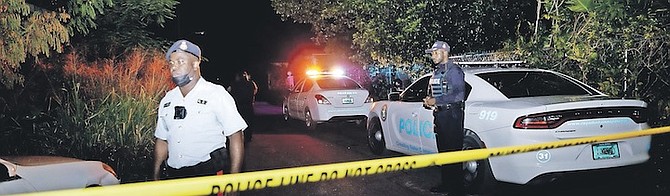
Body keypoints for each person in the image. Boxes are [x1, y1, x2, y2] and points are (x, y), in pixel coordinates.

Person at [153, 40, 247, 189]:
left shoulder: (216, 94)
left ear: (196, 64)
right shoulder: (167, 100)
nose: (174, 67)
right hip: (174, 179)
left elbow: (236, 136)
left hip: (208, 178)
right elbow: (162, 140)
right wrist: (156, 175)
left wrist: (233, 181)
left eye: (180, 61)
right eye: (171, 63)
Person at [422, 40, 466, 196]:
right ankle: (447, 184)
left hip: (451, 116)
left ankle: (457, 189)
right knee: (444, 152)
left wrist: (436, 101)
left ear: (444, 52)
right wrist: (429, 100)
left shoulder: (455, 71)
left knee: (453, 153)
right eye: (432, 53)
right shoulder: (437, 71)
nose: (433, 56)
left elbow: (460, 95)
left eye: (435, 53)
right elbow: (436, 92)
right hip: (440, 115)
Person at [228, 70, 258, 143]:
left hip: (238, 107)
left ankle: (239, 137)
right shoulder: (251, 84)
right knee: (249, 122)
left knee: (239, 123)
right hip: (248, 106)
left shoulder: (234, 84)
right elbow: (255, 90)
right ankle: (248, 137)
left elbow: (228, 91)